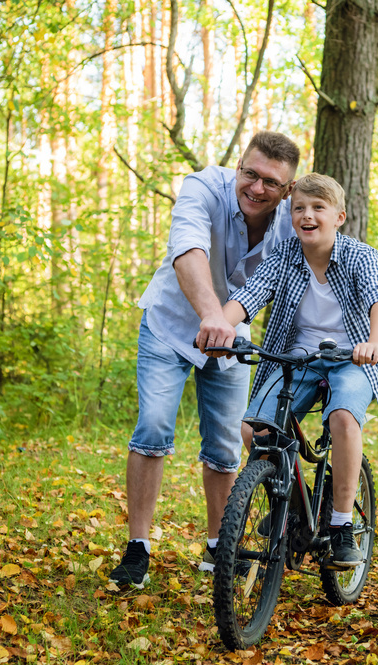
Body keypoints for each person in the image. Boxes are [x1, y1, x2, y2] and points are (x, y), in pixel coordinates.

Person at [107, 132, 301, 589]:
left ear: (288, 189)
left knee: (223, 445)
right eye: (249, 173)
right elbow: (188, 250)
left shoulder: (293, 219)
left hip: (231, 340)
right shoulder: (202, 187)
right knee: (153, 425)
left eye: (270, 182)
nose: (255, 187)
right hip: (172, 326)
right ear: (238, 166)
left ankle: (219, 548)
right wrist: (214, 315)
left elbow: (306, 275)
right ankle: (138, 549)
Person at [204, 173, 378, 568]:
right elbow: (250, 294)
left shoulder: (360, 256)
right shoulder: (285, 255)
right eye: (298, 209)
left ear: (339, 216)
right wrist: (221, 325)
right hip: (297, 358)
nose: (306, 215)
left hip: (352, 359)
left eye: (317, 208)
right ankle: (289, 503)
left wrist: (375, 342)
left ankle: (341, 525)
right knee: (254, 427)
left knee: (343, 419)